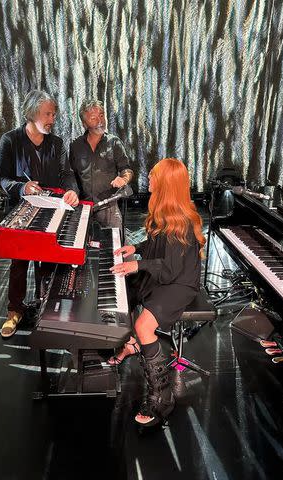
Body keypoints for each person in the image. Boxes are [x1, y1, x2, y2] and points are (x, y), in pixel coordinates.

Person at [109, 158, 206, 427]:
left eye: (153, 178)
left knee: (144, 325)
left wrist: (137, 264)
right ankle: (130, 344)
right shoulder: (165, 211)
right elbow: (156, 248)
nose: (148, 181)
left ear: (166, 185)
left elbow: (170, 270)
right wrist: (136, 249)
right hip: (166, 273)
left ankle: (162, 398)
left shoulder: (182, 222)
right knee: (125, 289)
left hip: (180, 283)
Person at [0, 90, 79, 338]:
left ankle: (46, 308)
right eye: (47, 113)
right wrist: (22, 187)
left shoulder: (57, 143)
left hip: (53, 210)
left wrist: (72, 191)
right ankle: (15, 311)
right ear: (32, 113)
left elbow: (67, 175)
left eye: (53, 113)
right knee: (19, 263)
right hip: (22, 211)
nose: (52, 118)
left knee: (49, 261)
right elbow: (1, 179)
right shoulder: (10, 140)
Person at [69, 99, 133, 229]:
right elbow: (71, 175)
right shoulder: (76, 145)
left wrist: (124, 179)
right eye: (93, 118)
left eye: (102, 115)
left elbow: (127, 170)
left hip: (109, 208)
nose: (100, 121)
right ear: (84, 123)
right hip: (84, 208)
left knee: (115, 246)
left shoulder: (114, 143)